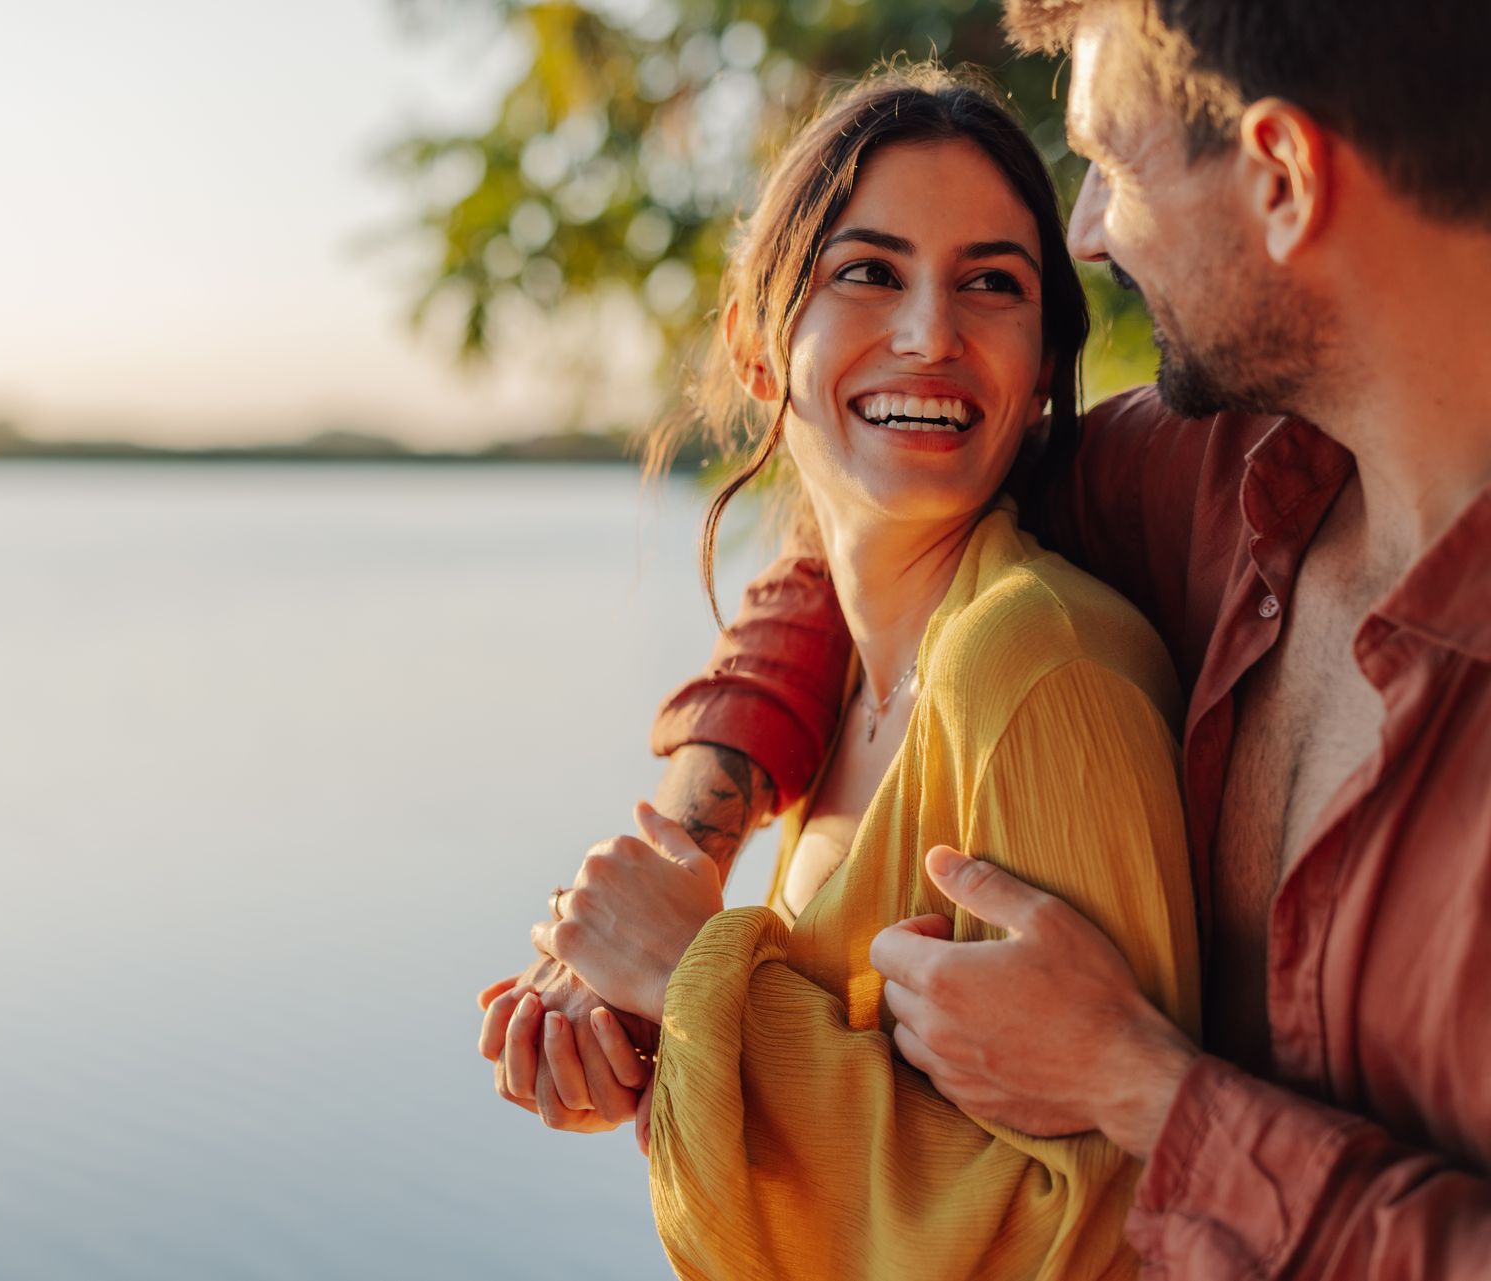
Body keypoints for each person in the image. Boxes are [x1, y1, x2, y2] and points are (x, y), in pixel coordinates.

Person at [494, 0, 1491, 1275]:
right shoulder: (1195, 482)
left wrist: (1143, 1089)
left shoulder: (1054, 648)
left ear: (1284, 176)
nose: (1087, 230)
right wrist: (680, 891)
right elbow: (870, 530)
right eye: (868, 270)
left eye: (1111, 166)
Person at [485, 68, 1202, 1279]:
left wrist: (687, 973)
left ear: (1040, 376)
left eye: (992, 283)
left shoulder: (1032, 668)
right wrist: (664, 1053)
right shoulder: (850, 687)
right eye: (868, 272)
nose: (931, 332)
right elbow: (885, 1140)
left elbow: (1102, 1232)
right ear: (758, 353)